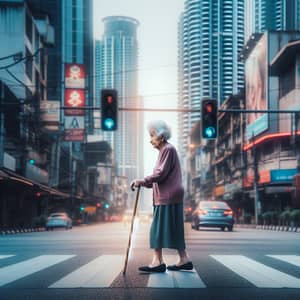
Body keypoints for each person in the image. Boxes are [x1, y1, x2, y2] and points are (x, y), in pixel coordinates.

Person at [130, 120, 193, 273]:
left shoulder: (167, 150)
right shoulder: (166, 151)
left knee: (156, 230)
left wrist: (142, 180)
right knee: (175, 229)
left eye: (152, 135)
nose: (150, 139)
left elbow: (160, 174)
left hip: (167, 195)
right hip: (171, 194)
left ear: (161, 135)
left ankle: (157, 261)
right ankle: (183, 259)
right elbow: (160, 177)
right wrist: (145, 183)